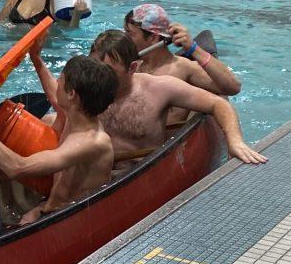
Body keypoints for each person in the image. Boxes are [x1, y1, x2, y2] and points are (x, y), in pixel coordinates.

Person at [84, 30, 267, 165]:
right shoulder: (84, 87)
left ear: (132, 68)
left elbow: (219, 103)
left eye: (109, 71)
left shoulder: (158, 87)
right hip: (95, 174)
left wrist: (234, 141)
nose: (99, 77)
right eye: (95, 68)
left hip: (139, 171)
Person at [0, 54, 117, 224]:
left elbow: (17, 168)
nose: (56, 81)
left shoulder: (91, 143)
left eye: (60, 79)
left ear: (71, 94)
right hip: (51, 206)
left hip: (73, 220)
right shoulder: (76, 114)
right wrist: (36, 59)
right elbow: (54, 96)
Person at [123, 4, 241, 96]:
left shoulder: (184, 68)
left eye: (130, 33)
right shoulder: (133, 67)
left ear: (153, 37)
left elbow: (233, 87)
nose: (124, 38)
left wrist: (193, 48)